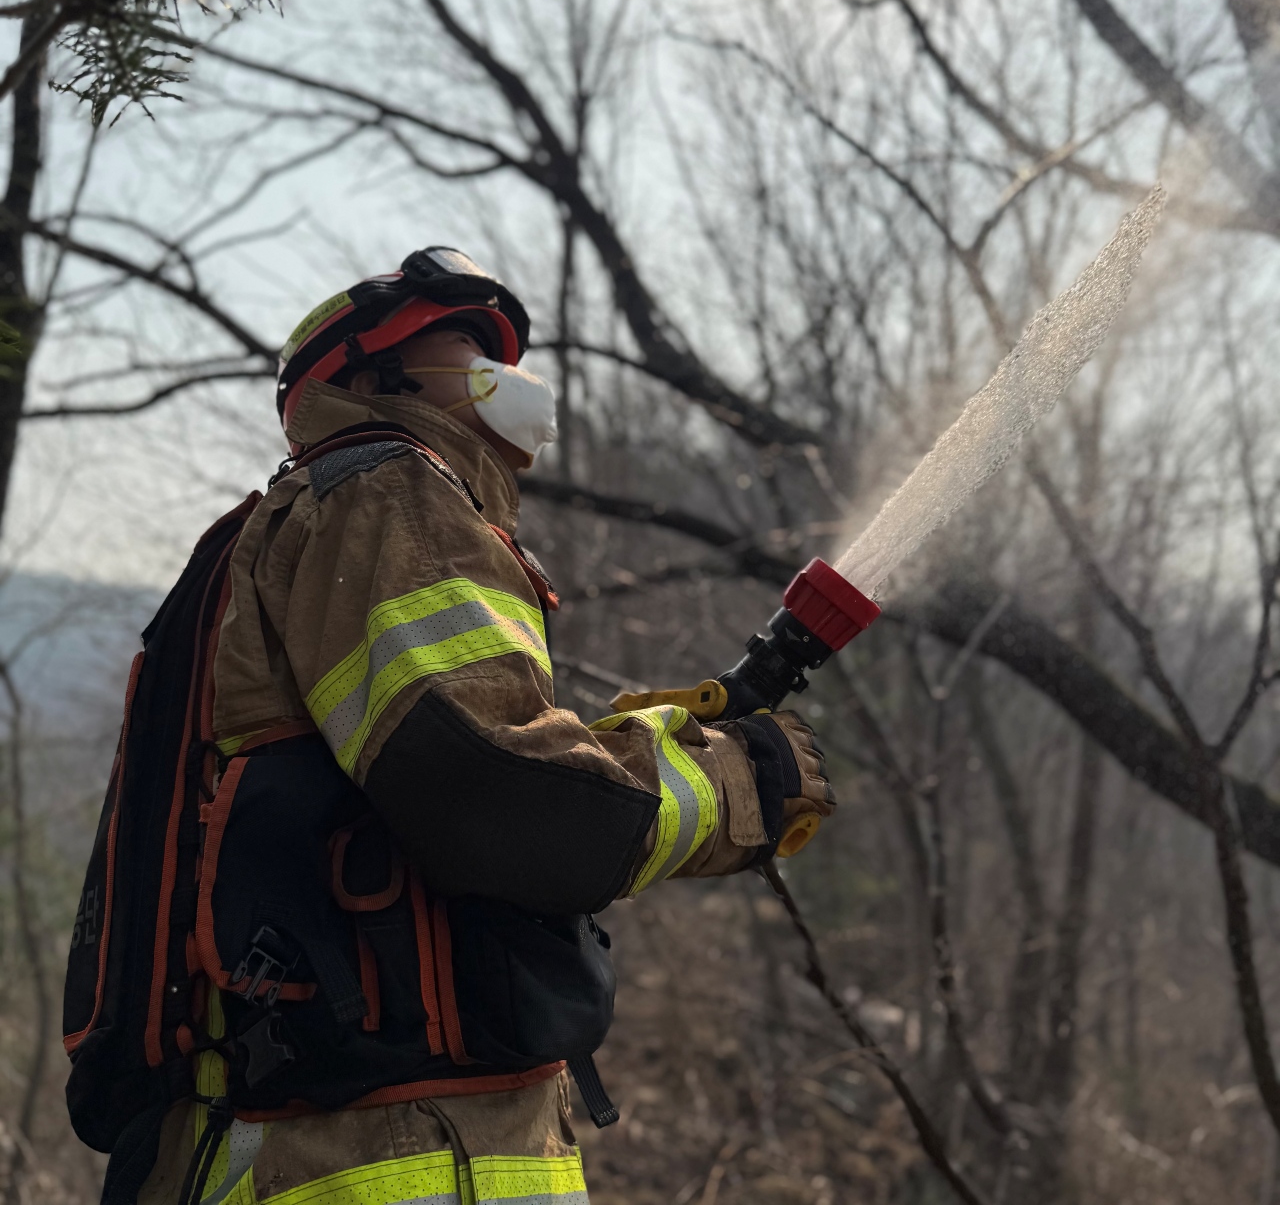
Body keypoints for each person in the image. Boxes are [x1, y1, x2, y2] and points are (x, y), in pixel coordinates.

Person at [136, 246, 833, 1204]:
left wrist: (608, 751)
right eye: (471, 361)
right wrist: (733, 787)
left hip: (331, 1135)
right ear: (373, 384)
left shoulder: (313, 519)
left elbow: (445, 767)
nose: (507, 385)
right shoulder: (391, 492)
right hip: (397, 1145)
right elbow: (504, 800)